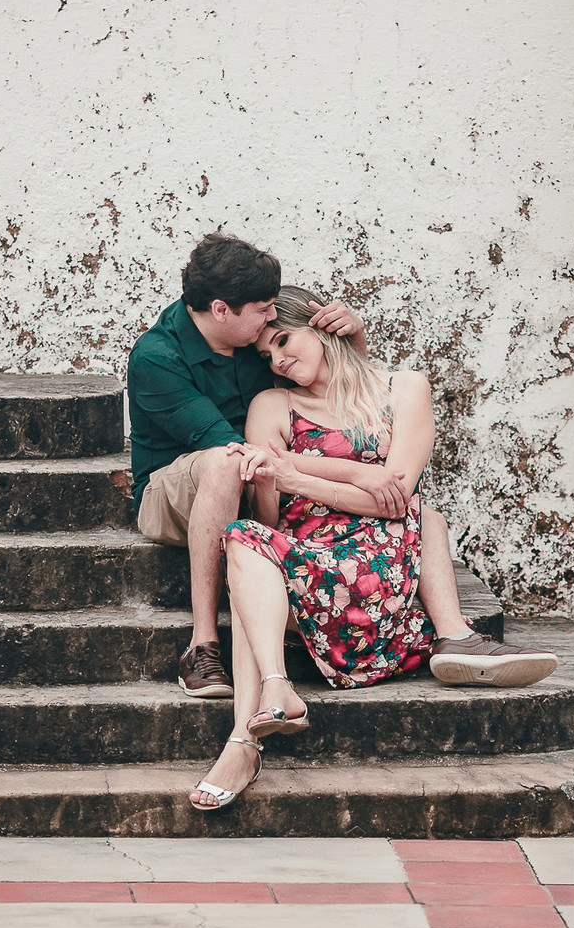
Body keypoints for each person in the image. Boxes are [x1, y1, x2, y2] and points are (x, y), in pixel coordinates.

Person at [130, 235, 552, 702]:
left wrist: (352, 339)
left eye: (279, 321)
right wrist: (352, 474)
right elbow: (246, 454)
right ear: (222, 310)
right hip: (178, 490)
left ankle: (451, 637)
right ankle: (203, 644)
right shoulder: (158, 358)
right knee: (229, 462)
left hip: (275, 480)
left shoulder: (251, 342)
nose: (272, 320)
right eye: (264, 309)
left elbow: (340, 397)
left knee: (427, 516)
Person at [188, 286, 558, 813]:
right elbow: (272, 521)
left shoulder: (403, 389)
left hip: (380, 568)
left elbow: (395, 501)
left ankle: (242, 745)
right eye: (268, 355)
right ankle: (275, 690)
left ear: (322, 326)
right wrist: (280, 481)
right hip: (310, 570)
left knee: (425, 514)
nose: (280, 359)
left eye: (285, 339)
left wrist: (297, 471)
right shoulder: (271, 405)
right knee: (243, 536)